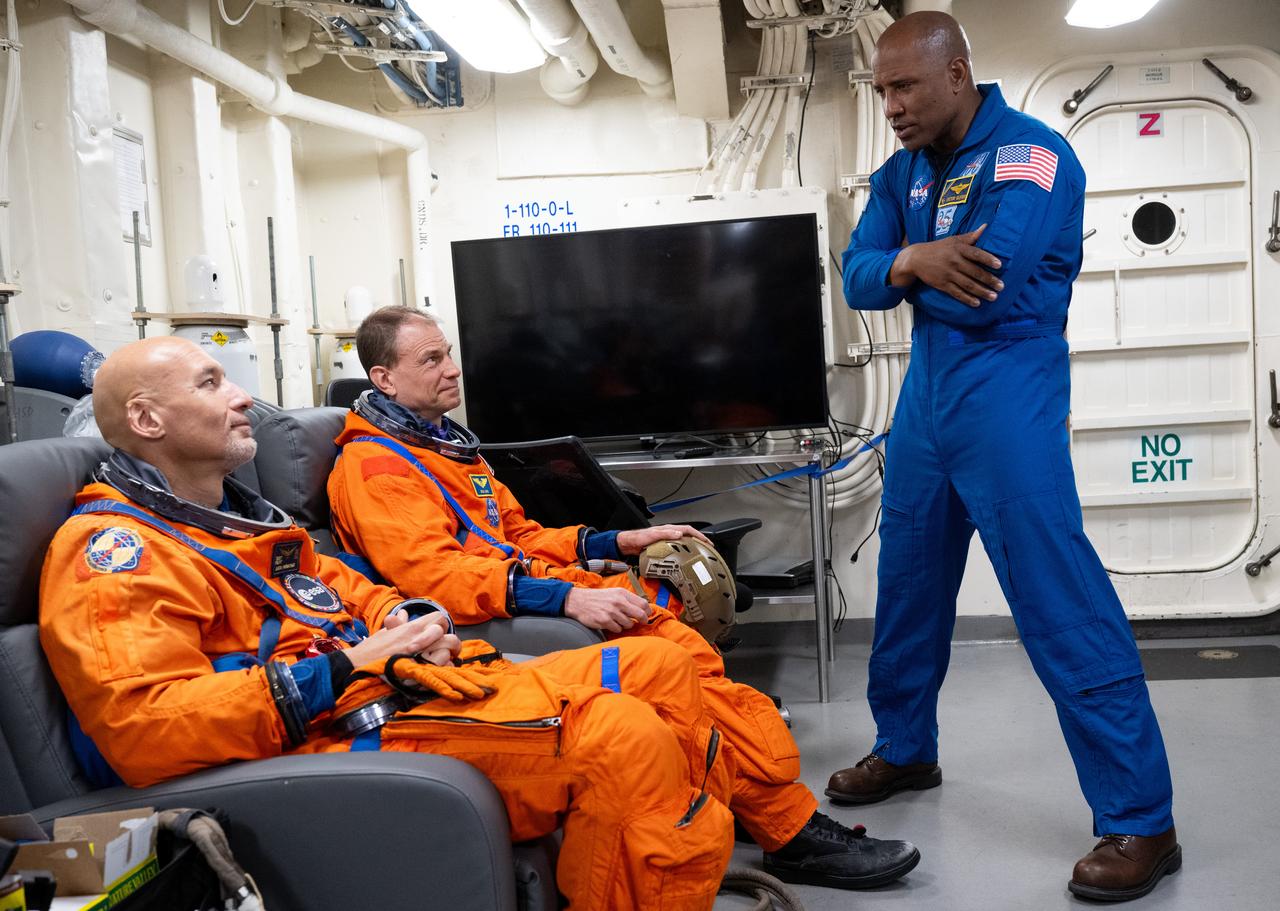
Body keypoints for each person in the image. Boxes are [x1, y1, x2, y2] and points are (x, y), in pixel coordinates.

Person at [39, 337, 741, 911]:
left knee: (661, 667)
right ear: (147, 420)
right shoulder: (114, 554)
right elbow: (146, 728)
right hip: (313, 741)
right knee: (617, 735)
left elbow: (344, 587)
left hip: (385, 690)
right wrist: (346, 666)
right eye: (210, 382)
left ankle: (663, 878)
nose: (242, 395)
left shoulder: (241, 526)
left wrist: (407, 619)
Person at [326, 305, 920, 890]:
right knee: (684, 664)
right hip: (482, 624)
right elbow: (435, 576)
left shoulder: (449, 451)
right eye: (432, 359)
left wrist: (618, 539)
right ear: (384, 379)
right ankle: (790, 833)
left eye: (448, 352)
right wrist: (563, 601)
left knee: (692, 660)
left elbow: (521, 537)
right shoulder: (375, 467)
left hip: (527, 590)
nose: (452, 368)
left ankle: (750, 807)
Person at [829, 10, 1179, 903]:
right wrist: (913, 257)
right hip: (926, 406)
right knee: (905, 587)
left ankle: (1142, 819)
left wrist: (901, 267)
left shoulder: (1035, 155)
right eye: (881, 92)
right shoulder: (899, 171)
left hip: (1007, 400)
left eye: (905, 87)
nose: (893, 108)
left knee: (1060, 602)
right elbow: (855, 272)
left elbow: (988, 286)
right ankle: (906, 748)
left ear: (956, 73)